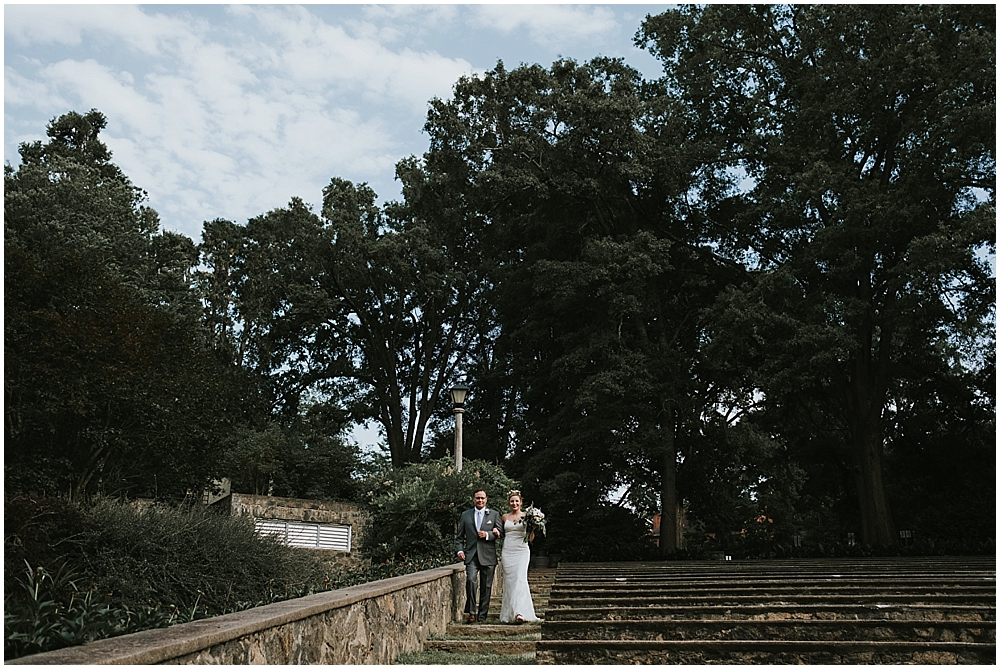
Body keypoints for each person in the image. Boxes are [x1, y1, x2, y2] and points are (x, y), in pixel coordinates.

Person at [456, 488, 504, 623]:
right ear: (473, 499)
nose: (480, 500)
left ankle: (482, 616)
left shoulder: (494, 514)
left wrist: (488, 535)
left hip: (488, 556)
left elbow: (501, 533)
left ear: (486, 499)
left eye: (482, 498)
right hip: (471, 556)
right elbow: (459, 537)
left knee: (486, 587)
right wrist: (460, 551)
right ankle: (472, 612)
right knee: (471, 581)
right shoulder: (465, 515)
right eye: (478, 498)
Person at [499, 490, 538, 624]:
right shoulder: (504, 517)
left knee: (520, 579)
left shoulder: (527, 516)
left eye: (517, 501)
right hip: (508, 550)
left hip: (522, 550)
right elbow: (500, 534)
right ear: (509, 503)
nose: (514, 503)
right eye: (512, 501)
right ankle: (510, 613)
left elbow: (531, 539)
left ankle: (520, 612)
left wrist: (533, 527)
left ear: (521, 502)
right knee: (510, 581)